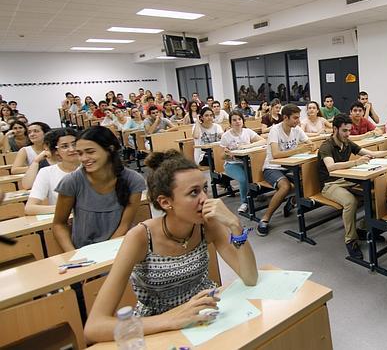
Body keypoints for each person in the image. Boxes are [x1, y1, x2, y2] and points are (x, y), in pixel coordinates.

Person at [84, 150, 258, 343]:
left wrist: (235, 225)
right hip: (158, 327)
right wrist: (171, 319)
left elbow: (250, 277)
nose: (205, 199)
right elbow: (94, 327)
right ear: (166, 202)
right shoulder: (140, 237)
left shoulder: (207, 224)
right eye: (194, 192)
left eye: (204, 189)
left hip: (206, 316)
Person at [52, 126, 146, 252]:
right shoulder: (72, 182)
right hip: (84, 252)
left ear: (110, 149)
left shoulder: (133, 180)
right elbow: (59, 224)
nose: (84, 158)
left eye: (90, 152)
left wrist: (106, 253)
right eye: (80, 153)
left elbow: (124, 225)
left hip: (121, 247)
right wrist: (73, 255)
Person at [318, 113, 387, 258]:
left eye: (349, 130)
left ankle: (362, 229)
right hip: (330, 184)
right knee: (350, 202)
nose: (348, 134)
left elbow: (371, 154)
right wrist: (355, 162)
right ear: (335, 129)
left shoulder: (347, 142)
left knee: (375, 196)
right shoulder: (326, 146)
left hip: (347, 180)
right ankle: (351, 240)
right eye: (345, 131)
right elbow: (331, 167)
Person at [258, 104, 314, 235]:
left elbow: (310, 143)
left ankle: (293, 201)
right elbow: (276, 154)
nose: (298, 121)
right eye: (295, 118)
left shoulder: (297, 129)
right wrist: (299, 149)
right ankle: (265, 218)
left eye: (299, 118)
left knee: (306, 180)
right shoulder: (275, 130)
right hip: (272, 168)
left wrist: (310, 145)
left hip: (289, 166)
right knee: (285, 186)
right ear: (285, 118)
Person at [25, 128, 80, 215]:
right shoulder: (46, 172)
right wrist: (67, 208)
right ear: (56, 151)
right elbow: (30, 208)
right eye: (65, 146)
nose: (72, 149)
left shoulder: (91, 168)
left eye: (74, 145)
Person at [219, 110, 266, 213]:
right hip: (232, 164)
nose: (237, 122)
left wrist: (247, 146)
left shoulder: (247, 131)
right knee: (243, 179)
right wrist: (227, 153)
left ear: (243, 121)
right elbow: (221, 156)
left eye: (239, 119)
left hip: (248, 163)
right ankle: (244, 202)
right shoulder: (226, 136)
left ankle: (255, 193)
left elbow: (263, 140)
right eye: (234, 120)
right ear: (230, 123)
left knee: (260, 173)